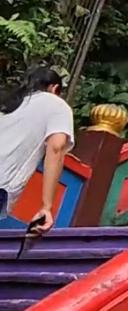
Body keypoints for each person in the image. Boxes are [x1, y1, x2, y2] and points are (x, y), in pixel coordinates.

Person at [0, 66, 74, 232]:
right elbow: (56, 148)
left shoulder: (8, 102)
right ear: (54, 88)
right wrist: (46, 206)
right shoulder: (57, 106)